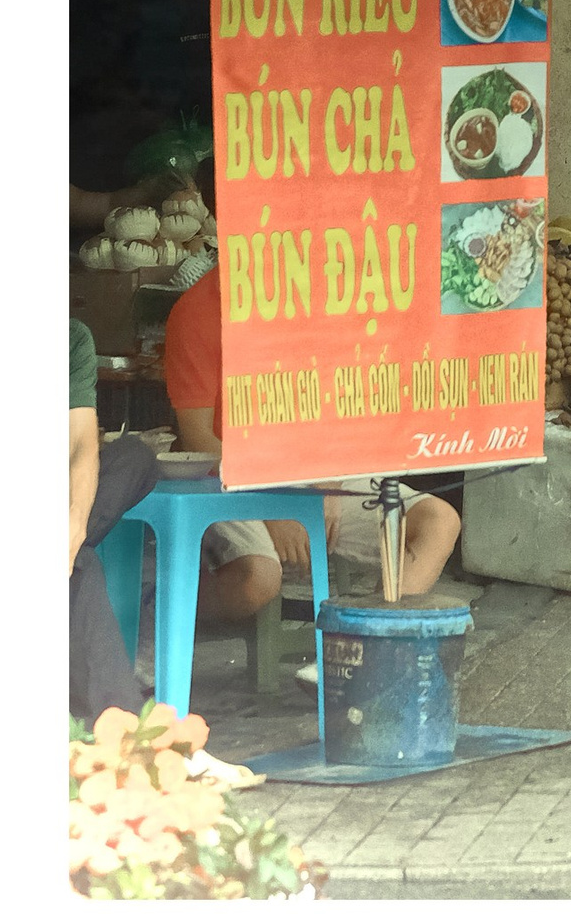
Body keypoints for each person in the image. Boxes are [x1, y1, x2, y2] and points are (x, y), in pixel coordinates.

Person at [159, 256, 462, 615]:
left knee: (438, 522)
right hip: (231, 481)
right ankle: (152, 614)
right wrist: (274, 504)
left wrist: (327, 479)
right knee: (257, 579)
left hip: (311, 470)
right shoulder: (196, 311)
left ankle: (372, 641)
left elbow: (338, 405)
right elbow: (199, 440)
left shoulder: (311, 294)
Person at [70, 318, 161, 721]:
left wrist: (74, 520)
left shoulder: (71, 337)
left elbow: (80, 443)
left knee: (135, 457)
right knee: (82, 563)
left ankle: (112, 718)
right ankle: (119, 718)